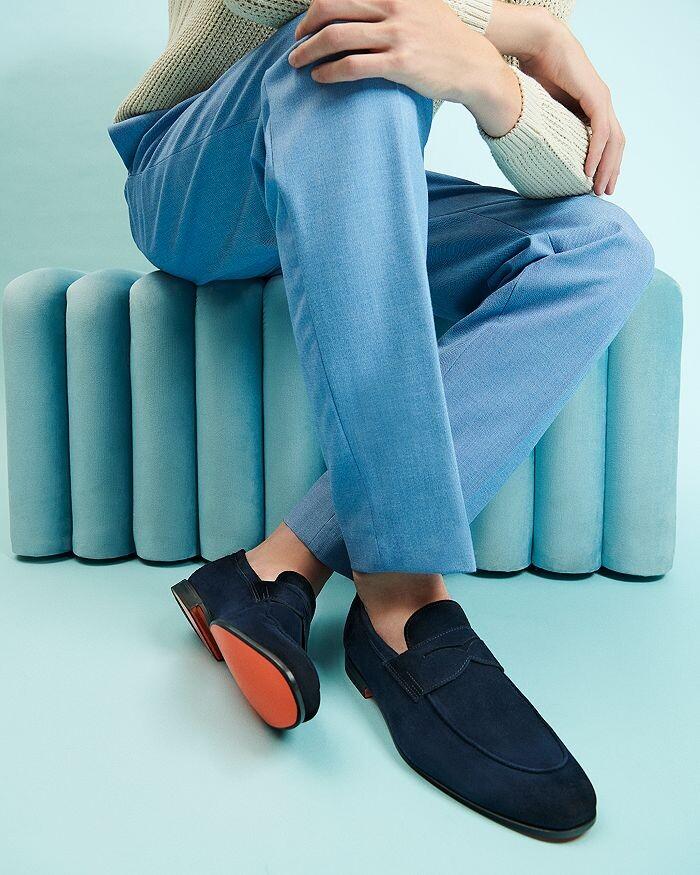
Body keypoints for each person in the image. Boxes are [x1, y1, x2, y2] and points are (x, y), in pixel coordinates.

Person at [109, 0, 653, 840]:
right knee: (354, 56)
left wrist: (485, 77)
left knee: (602, 246)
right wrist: (528, 35)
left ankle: (275, 569)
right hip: (198, 177)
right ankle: (402, 602)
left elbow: (571, 171)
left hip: (338, 173)